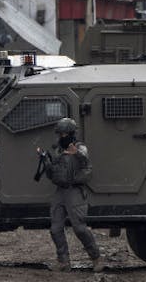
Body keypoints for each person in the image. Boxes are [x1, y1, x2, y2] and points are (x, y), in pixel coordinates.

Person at [37, 117, 105, 273]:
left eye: (64, 133)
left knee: (80, 228)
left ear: (71, 133)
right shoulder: (57, 150)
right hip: (60, 192)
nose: (62, 136)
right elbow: (52, 173)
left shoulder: (80, 148)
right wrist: (45, 161)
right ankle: (63, 261)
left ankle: (96, 258)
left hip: (74, 191)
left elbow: (87, 166)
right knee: (55, 229)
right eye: (60, 133)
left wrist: (76, 154)